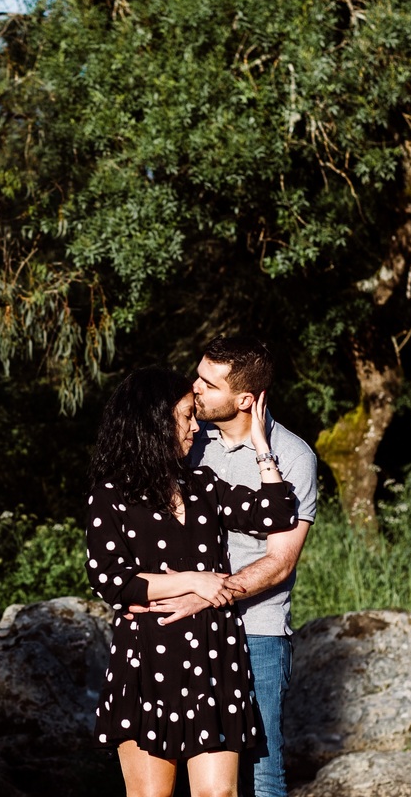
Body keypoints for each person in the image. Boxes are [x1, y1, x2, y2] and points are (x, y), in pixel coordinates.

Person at [86, 366, 299, 797]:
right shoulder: (110, 494)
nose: (195, 425)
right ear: (155, 422)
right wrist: (194, 581)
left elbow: (278, 513)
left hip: (216, 653)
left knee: (219, 794)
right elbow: (109, 580)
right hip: (147, 655)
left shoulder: (202, 485)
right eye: (186, 415)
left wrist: (262, 447)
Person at [145, 337, 318, 797]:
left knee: (262, 774)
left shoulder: (295, 457)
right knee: (185, 768)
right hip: (185, 624)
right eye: (197, 375)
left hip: (254, 630)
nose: (194, 388)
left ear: (244, 399)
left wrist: (204, 594)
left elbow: (279, 562)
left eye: (208, 382)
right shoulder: (189, 441)